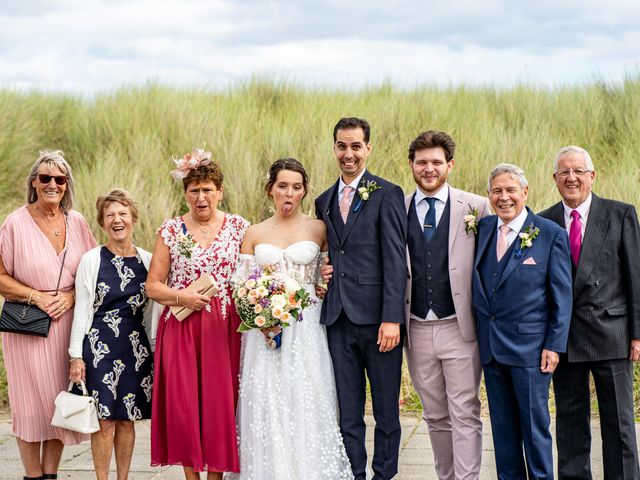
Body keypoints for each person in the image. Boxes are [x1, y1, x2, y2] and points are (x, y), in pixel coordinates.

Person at [230, 158, 353, 480]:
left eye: (296, 187)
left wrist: (326, 283)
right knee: (267, 401)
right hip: (264, 330)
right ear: (270, 189)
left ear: (304, 191)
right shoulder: (254, 233)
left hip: (307, 325)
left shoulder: (318, 227)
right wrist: (259, 315)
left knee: (307, 397)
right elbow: (241, 286)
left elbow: (328, 276)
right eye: (282, 186)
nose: (289, 193)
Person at [146, 148, 248, 480]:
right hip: (182, 328)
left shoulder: (238, 227)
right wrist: (183, 296)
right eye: (194, 191)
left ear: (220, 191)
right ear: (185, 194)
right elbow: (152, 286)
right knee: (185, 407)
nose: (201, 197)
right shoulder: (171, 230)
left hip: (224, 329)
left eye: (207, 190)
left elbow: (254, 276)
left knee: (220, 406)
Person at [539, 145, 640, 479]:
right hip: (563, 338)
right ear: (555, 178)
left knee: (620, 426)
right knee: (569, 424)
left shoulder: (620, 214)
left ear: (592, 176)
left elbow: (635, 278)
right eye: (564, 172)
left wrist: (638, 333)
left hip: (612, 334)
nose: (572, 177)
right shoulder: (543, 220)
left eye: (579, 171)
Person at [315, 117, 407, 480]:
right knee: (348, 410)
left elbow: (396, 261)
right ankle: (354, 473)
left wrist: (391, 318)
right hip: (337, 319)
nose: (348, 153)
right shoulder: (322, 200)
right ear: (334, 148)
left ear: (368, 148)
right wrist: (323, 274)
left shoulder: (387, 193)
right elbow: (328, 253)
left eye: (356, 146)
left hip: (378, 322)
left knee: (386, 410)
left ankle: (384, 475)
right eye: (342, 146)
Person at [0, 150, 97, 480]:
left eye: (59, 179)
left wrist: (70, 296)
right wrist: (37, 296)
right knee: (29, 407)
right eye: (45, 178)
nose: (52, 184)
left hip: (67, 329)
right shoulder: (15, 222)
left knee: (58, 400)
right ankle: (32, 475)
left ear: (67, 184)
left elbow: (93, 274)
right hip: (26, 328)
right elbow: (0, 277)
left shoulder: (79, 222)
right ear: (34, 183)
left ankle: (51, 475)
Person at [472, 163, 572, 479]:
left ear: (525, 192)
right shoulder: (482, 229)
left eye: (510, 190)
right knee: (503, 432)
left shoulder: (550, 234)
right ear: (489, 195)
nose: (504, 197)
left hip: (531, 351)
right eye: (497, 191)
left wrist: (554, 345)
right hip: (491, 348)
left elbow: (562, 296)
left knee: (534, 429)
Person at [404, 131, 490, 480]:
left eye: (436, 162)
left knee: (465, 411)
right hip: (416, 326)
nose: (429, 168)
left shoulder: (476, 207)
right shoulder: (398, 207)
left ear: (449, 165)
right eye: (422, 162)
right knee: (435, 414)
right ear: (411, 165)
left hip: (459, 326)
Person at [68, 188, 159, 480]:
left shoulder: (148, 260)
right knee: (105, 420)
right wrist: (75, 356)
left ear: (133, 218)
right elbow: (82, 309)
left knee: (128, 421)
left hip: (135, 348)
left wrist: (156, 351)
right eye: (110, 216)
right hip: (99, 347)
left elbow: (151, 313)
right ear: (102, 223)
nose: (117, 220)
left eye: (122, 214)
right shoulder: (92, 260)